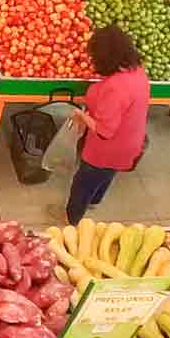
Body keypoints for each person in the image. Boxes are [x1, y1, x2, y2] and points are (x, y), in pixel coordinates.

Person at [49, 25, 150, 225]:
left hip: (107, 149)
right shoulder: (137, 72)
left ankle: (71, 217)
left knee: (83, 183)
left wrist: (81, 115)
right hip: (130, 142)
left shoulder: (115, 88)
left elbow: (104, 131)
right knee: (107, 175)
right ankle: (94, 201)